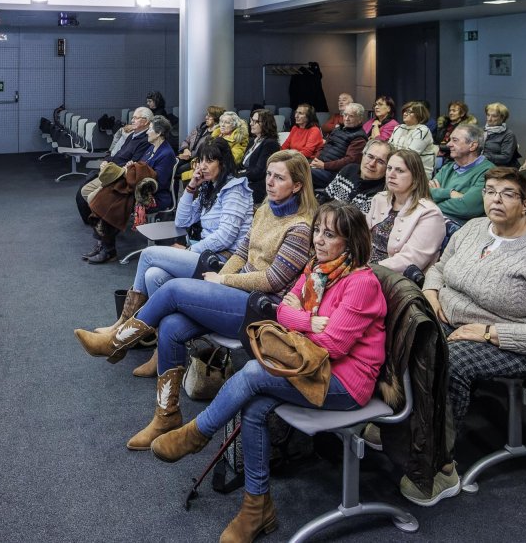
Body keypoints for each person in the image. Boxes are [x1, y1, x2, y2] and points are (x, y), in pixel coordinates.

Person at [147, 202, 385, 543]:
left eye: (329, 235)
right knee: (254, 407)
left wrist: (297, 321)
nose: (318, 239)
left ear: (350, 242)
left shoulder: (361, 283)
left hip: (345, 381)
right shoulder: (316, 269)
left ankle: (197, 433)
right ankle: (258, 508)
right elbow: (281, 311)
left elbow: (333, 347)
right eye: (318, 230)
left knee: (254, 373)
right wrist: (305, 321)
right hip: (309, 364)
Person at [75, 150, 317, 452]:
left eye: (279, 177)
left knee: (173, 289)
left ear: (297, 185)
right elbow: (241, 253)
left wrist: (224, 281)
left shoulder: (301, 226)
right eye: (268, 174)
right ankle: (166, 415)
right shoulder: (266, 208)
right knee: (173, 325)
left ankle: (117, 341)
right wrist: (220, 280)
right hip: (236, 293)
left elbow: (273, 280)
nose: (269, 181)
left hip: (260, 311)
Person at [411, 167, 526, 506]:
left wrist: (490, 332)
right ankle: (406, 427)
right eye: (489, 191)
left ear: (525, 203)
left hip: (523, 343)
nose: (495, 199)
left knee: (451, 360)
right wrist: (430, 293)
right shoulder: (473, 228)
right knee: (409, 331)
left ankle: (440, 463)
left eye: (508, 193)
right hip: (455, 321)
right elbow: (439, 267)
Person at [86, 138, 254, 375]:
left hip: (222, 263)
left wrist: (189, 251)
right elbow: (182, 221)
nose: (203, 166)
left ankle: (122, 328)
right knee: (154, 275)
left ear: (223, 162)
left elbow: (225, 237)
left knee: (148, 254)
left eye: (210, 160)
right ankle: (159, 352)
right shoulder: (209, 187)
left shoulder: (235, 189)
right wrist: (192, 187)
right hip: (204, 254)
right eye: (201, 160)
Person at [83, 116, 176, 264]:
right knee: (104, 195)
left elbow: (159, 183)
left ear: (159, 133)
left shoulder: (166, 154)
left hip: (151, 195)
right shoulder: (153, 148)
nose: (147, 132)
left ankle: (108, 249)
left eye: (150, 129)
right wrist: (133, 166)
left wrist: (133, 172)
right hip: (138, 187)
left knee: (111, 201)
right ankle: (103, 244)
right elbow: (143, 167)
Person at [367, 149, 446, 273]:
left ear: (415, 177)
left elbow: (411, 260)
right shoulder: (379, 199)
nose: (391, 174)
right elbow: (361, 237)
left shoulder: (430, 213)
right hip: (364, 266)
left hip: (392, 277)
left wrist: (365, 270)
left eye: (399, 170)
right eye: (389, 168)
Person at [76, 106, 153, 225]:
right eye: (132, 118)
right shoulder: (133, 136)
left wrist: (110, 166)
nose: (132, 120)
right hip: (111, 169)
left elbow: (132, 163)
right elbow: (119, 154)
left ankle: (105, 220)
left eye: (136, 118)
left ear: (146, 121)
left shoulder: (144, 140)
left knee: (87, 191)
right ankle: (102, 218)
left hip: (118, 174)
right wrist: (106, 161)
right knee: (84, 189)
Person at [429, 124, 494, 225]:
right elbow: (424, 194)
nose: (448, 144)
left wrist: (434, 198)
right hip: (435, 221)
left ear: (472, 146)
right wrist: (450, 193)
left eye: (455, 140)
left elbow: (467, 207)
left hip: (462, 230)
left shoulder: (488, 172)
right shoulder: (447, 168)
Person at [310, 102, 367, 189]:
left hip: (334, 174)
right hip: (320, 166)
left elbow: (349, 161)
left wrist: (324, 165)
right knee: (294, 166)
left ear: (359, 119)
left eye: (351, 116)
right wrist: (316, 160)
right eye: (345, 115)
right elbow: (323, 146)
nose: (346, 118)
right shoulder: (338, 129)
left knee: (300, 173)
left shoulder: (359, 138)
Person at [322, 139, 391, 212]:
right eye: (370, 157)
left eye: (380, 162)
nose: (372, 164)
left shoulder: (383, 194)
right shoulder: (349, 170)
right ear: (363, 155)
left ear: (388, 167)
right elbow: (325, 197)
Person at [242, 109, 282, 204]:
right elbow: (242, 164)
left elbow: (258, 173)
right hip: (246, 180)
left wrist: (238, 176)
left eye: (255, 121)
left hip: (257, 186)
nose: (251, 123)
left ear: (266, 124)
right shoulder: (253, 141)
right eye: (251, 120)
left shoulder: (270, 144)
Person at [388, 101, 435, 178]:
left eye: (409, 112)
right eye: (405, 111)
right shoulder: (398, 128)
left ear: (419, 115)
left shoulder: (422, 130)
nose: (405, 114)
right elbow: (389, 148)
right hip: (397, 166)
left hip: (418, 173)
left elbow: (410, 156)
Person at [176, 105, 224, 177]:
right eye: (207, 115)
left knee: (179, 170)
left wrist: (191, 156)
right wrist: (185, 149)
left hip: (198, 160)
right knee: (171, 164)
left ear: (216, 118)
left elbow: (208, 152)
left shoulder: (217, 134)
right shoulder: (200, 128)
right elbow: (186, 141)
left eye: (209, 116)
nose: (206, 118)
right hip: (187, 156)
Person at [481, 102, 520, 167]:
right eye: (488, 115)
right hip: (482, 165)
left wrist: (483, 157)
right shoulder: (481, 130)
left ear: (502, 118)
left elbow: (505, 158)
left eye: (494, 116)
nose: (489, 119)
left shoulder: (508, 135)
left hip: (500, 169)